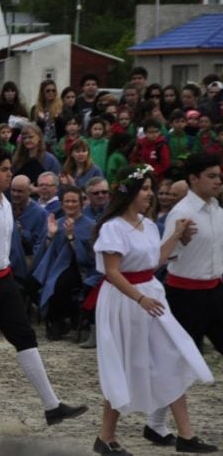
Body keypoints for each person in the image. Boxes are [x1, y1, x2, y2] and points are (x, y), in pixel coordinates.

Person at [0, 146, 88, 428]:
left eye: (10, 168)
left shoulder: (3, 203)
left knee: (25, 338)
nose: (10, 173)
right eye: (4, 169)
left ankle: (52, 406)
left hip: (3, 280)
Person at [91, 163, 218, 455]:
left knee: (170, 357)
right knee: (123, 365)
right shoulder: (113, 227)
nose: (151, 194)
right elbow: (113, 272)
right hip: (124, 302)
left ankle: (186, 435)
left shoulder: (148, 224)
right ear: (130, 192)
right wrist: (139, 298)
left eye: (151, 188)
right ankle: (105, 437)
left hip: (150, 297)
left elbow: (154, 259)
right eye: (145, 189)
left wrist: (176, 236)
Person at [163, 153, 223, 356]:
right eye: (211, 176)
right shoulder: (182, 213)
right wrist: (180, 240)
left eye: (219, 176)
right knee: (181, 360)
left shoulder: (217, 210)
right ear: (193, 179)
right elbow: (164, 256)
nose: (218, 181)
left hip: (215, 292)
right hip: (185, 296)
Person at [32, 185, 97, 340]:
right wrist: (50, 235)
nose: (70, 205)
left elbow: (88, 258)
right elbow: (42, 254)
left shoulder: (90, 225)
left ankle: (58, 320)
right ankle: (55, 318)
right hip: (54, 266)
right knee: (31, 282)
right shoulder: (57, 222)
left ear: (81, 203)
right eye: (67, 201)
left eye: (74, 201)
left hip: (80, 269)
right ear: (62, 204)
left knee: (60, 284)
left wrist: (71, 237)